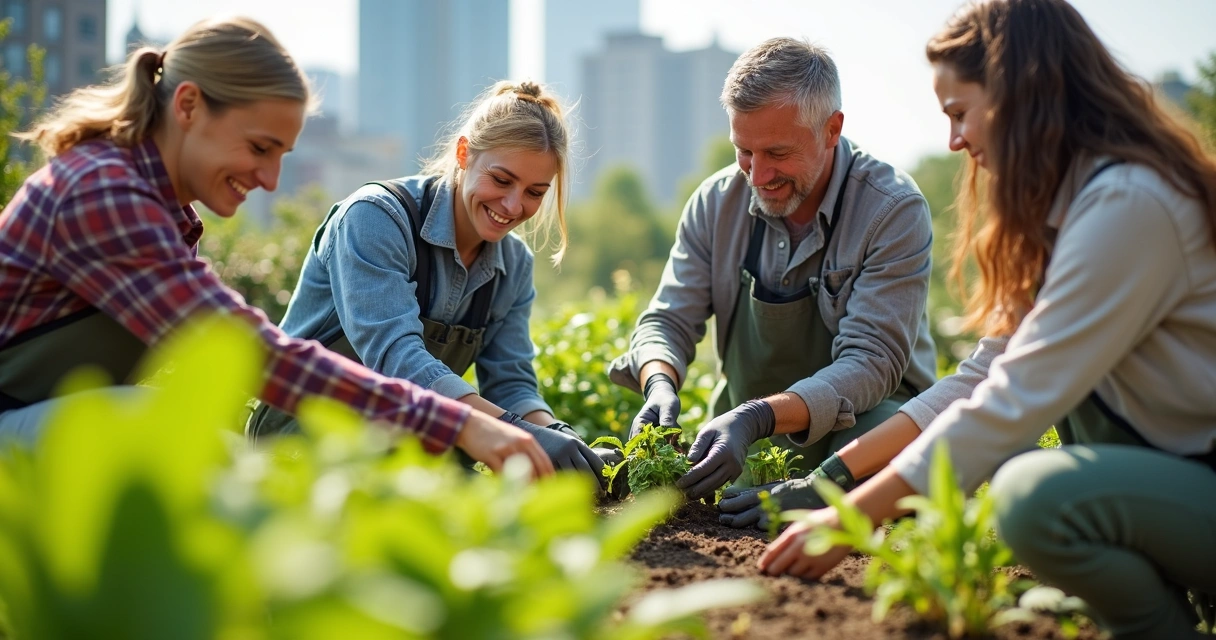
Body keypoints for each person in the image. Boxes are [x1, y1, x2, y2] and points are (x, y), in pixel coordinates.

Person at [757, 2, 1216, 638]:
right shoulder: (1075, 210)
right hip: (1180, 478)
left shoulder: (1128, 205)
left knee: (1032, 496)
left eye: (960, 114)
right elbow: (978, 380)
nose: (955, 141)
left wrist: (850, 518)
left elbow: (1016, 398)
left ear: (1021, 95)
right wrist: (831, 481)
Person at [0, 17, 552, 478]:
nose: (268, 179)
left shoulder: (166, 212)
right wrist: (458, 420)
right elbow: (249, 354)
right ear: (188, 105)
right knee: (155, 421)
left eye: (282, 155)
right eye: (259, 148)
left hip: (31, 425)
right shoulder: (103, 194)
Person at [607, 37, 937, 511]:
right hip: (746, 435)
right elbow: (668, 320)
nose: (757, 176)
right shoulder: (716, 202)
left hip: (865, 431)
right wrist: (659, 382)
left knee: (894, 462)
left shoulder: (891, 209)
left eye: (777, 153)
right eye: (744, 151)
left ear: (831, 129)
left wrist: (756, 418)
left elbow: (872, 363)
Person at [246, 80, 607, 483]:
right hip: (308, 439)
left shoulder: (513, 264)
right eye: (502, 181)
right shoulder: (376, 218)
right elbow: (395, 357)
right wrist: (522, 434)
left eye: (535, 192)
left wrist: (557, 436)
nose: (513, 205)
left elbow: (510, 382)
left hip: (411, 445)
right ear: (464, 153)